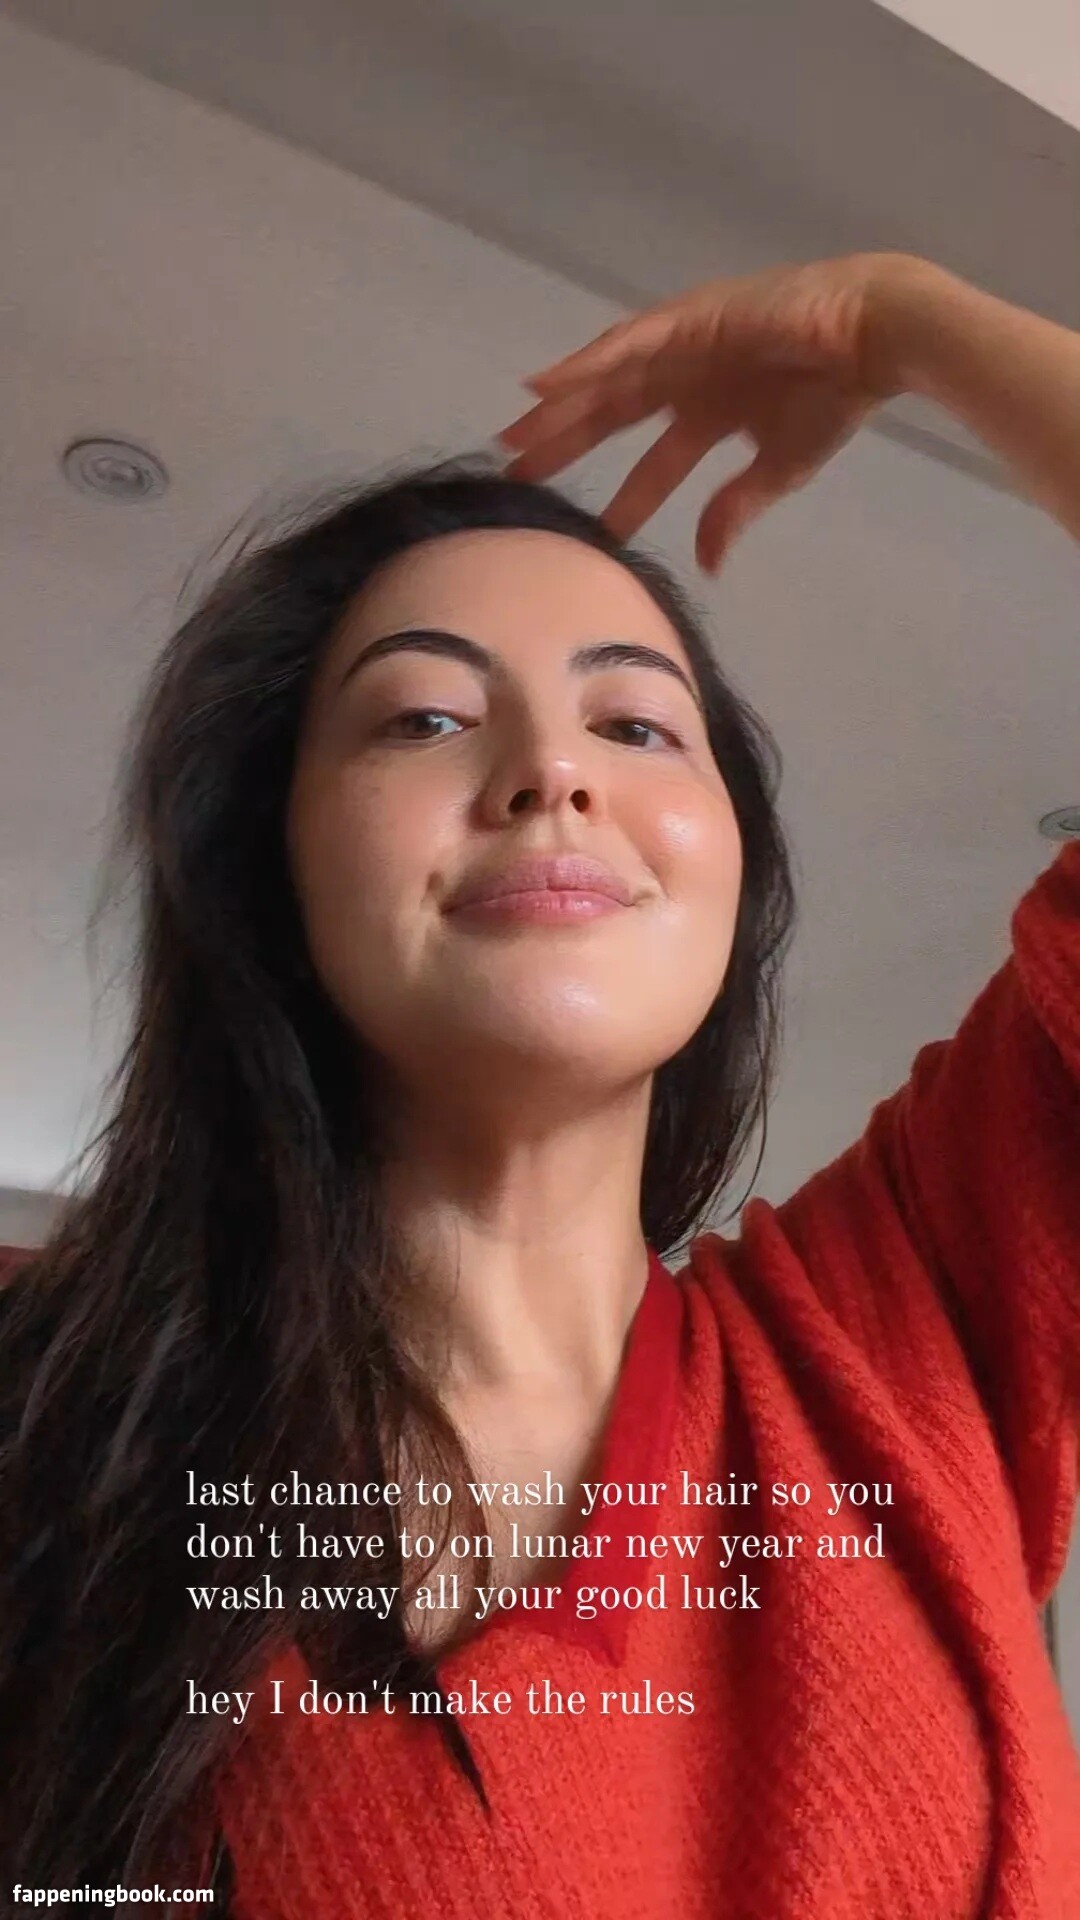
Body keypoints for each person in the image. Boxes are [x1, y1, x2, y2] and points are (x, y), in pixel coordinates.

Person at [0, 250, 1077, 1918]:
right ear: (268, 867)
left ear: (731, 866)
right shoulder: (50, 1421)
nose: (552, 769)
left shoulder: (900, 1337)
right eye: (424, 718)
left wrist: (902, 321)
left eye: (638, 727)